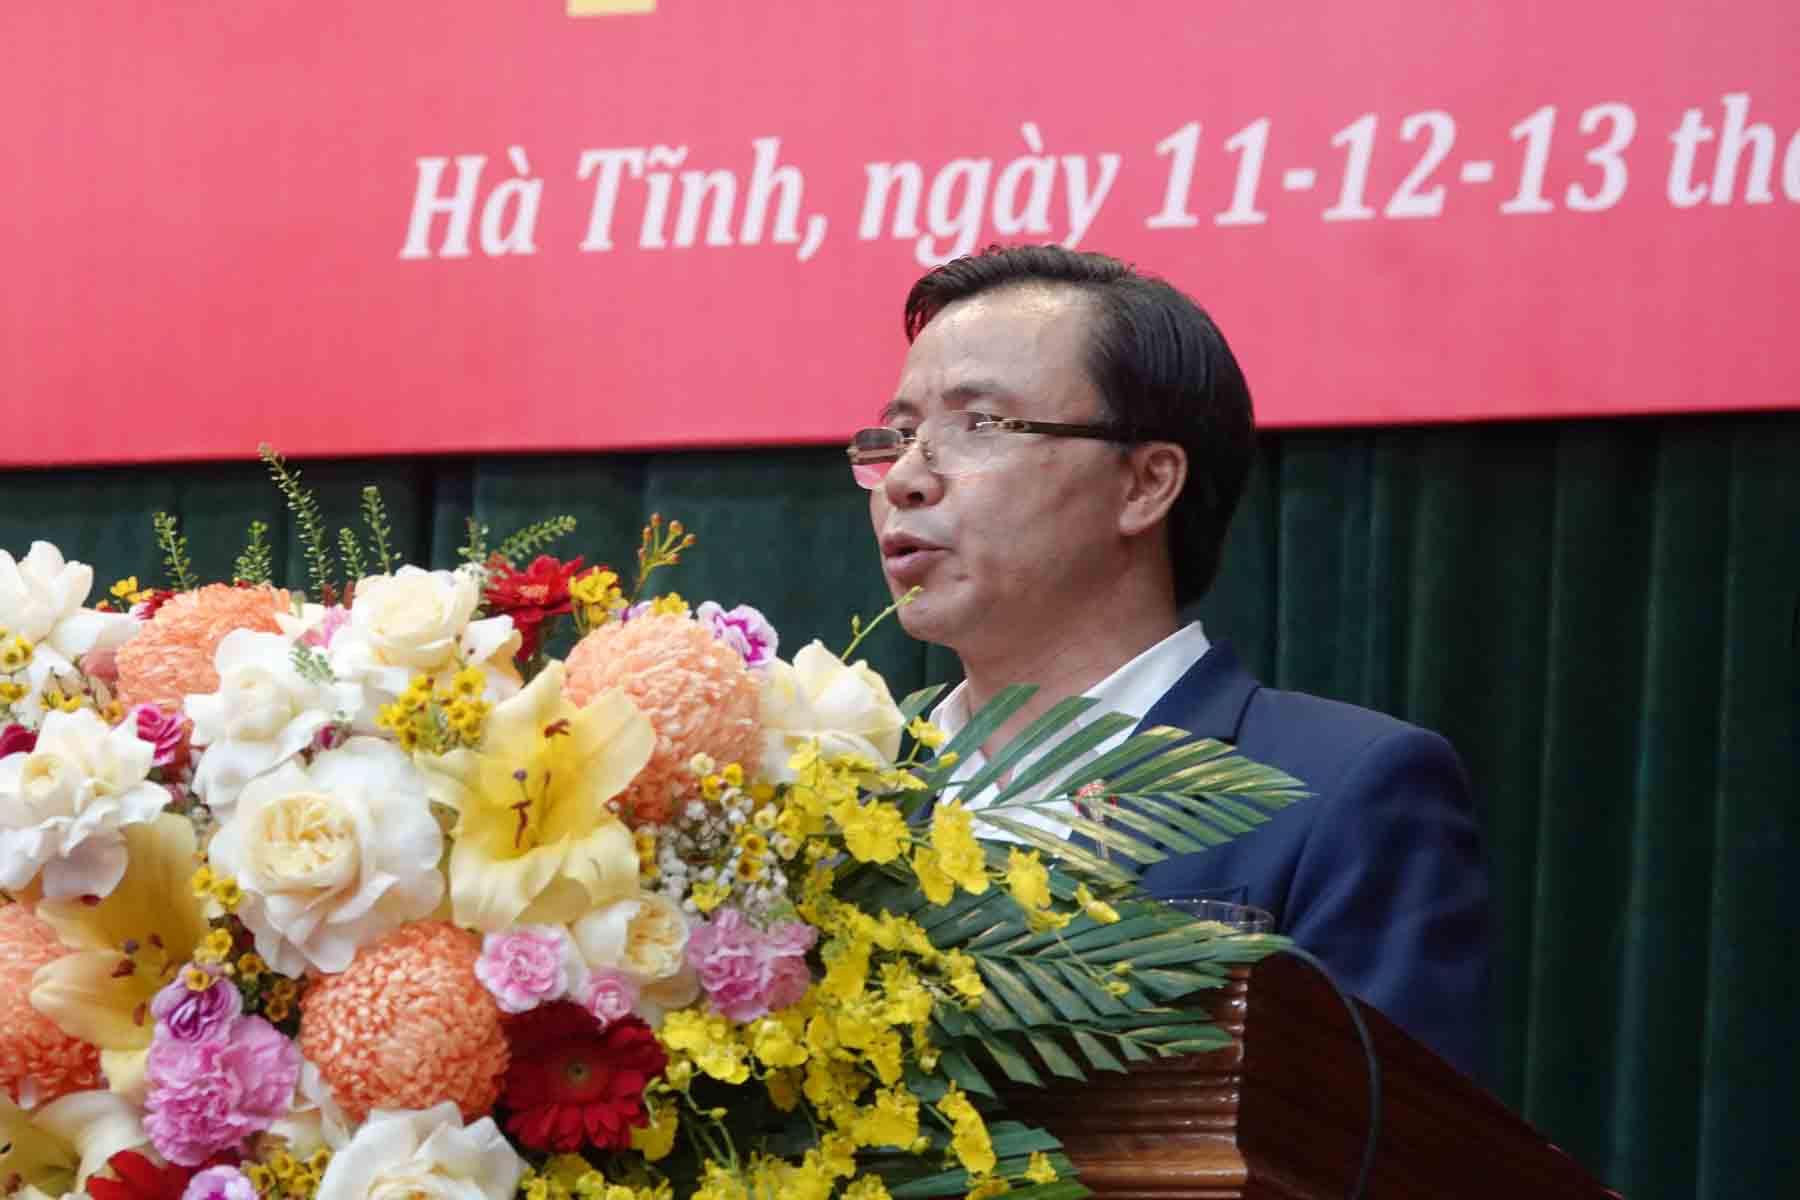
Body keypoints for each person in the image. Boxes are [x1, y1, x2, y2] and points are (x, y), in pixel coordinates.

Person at [851, 244, 1490, 1081]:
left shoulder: (1341, 792)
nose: (904, 478)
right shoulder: (841, 788)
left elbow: (1391, 1153)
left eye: (980, 425)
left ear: (1146, 484)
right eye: (897, 436)